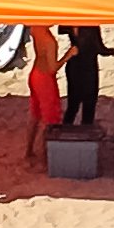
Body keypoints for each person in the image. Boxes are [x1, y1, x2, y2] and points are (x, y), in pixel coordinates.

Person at [59, 25, 112, 128]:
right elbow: (99, 48)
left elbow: (61, 29)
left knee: (73, 103)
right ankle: (86, 129)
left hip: (74, 65)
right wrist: (111, 51)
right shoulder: (91, 25)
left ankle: (66, 127)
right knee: (89, 102)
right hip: (88, 67)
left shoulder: (69, 22)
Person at [25, 25, 64, 160]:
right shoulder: (50, 42)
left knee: (35, 115)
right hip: (45, 78)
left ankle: (28, 151)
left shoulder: (36, 29)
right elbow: (53, 68)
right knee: (50, 118)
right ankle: (44, 157)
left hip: (35, 74)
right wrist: (68, 55)